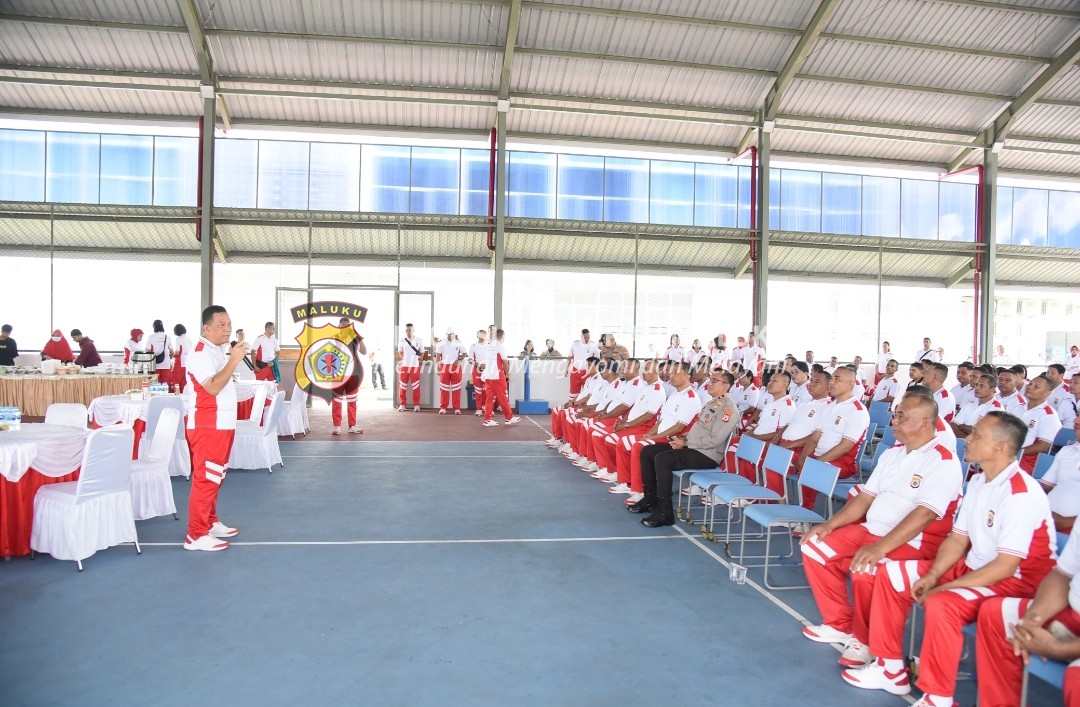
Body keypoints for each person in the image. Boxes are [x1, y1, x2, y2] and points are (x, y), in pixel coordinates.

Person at [842, 412, 1056, 706]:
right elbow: (957, 540)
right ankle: (890, 668)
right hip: (976, 567)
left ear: (1000, 447)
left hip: (1015, 581)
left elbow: (1006, 566)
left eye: (977, 435)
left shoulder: (1021, 493)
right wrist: (933, 575)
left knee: (942, 603)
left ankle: (938, 695)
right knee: (890, 574)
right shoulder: (980, 481)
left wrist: (942, 588)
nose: (967, 438)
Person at [801, 394, 963, 669]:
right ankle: (840, 624)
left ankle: (864, 642)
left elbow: (924, 515)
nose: (894, 420)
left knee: (866, 567)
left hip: (915, 540)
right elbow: (865, 498)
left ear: (925, 423)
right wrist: (830, 525)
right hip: (872, 530)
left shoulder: (943, 461)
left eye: (902, 416)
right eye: (896, 414)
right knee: (814, 545)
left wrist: (881, 548)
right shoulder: (893, 452)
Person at [974, 519, 1080, 706]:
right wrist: (1031, 621)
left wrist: (1060, 649)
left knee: (1077, 680)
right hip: (1073, 614)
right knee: (997, 615)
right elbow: (1063, 574)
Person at [633, 369, 739, 527]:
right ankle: (650, 499)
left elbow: (716, 440)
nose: (709, 383)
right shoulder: (713, 403)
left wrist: (686, 443)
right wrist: (682, 439)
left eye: (714, 381)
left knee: (663, 459)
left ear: (726, 386)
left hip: (707, 455)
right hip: (694, 448)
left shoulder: (727, 408)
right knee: (648, 451)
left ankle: (665, 512)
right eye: (710, 380)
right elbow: (697, 430)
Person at [184, 305, 247, 552]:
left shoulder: (217, 351)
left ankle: (208, 522)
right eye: (221, 325)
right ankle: (195, 534)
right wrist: (233, 360)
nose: (227, 328)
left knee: (215, 476)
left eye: (229, 324)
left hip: (222, 423)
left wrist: (231, 357)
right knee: (206, 478)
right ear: (206, 328)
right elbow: (211, 387)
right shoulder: (200, 353)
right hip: (207, 424)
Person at [610, 361, 700, 504]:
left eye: (676, 372)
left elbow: (678, 427)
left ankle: (639, 490)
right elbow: (660, 421)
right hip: (660, 435)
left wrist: (654, 436)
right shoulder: (674, 396)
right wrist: (650, 434)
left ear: (687, 376)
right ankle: (627, 481)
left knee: (638, 447)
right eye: (671, 371)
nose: (672, 375)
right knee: (625, 443)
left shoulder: (690, 398)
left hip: (672, 439)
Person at [795, 367, 870, 511]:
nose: (832, 382)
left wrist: (816, 461)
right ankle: (790, 504)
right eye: (832, 378)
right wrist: (803, 457)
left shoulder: (857, 411)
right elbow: (815, 438)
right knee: (793, 460)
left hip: (843, 462)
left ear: (850, 384)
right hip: (819, 457)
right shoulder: (829, 406)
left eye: (837, 379)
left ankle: (804, 514)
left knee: (811, 469)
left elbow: (845, 447)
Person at [1039, 414, 1080, 534]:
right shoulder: (1067, 451)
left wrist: (1068, 522)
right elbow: (1045, 486)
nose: (1076, 420)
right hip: (1045, 519)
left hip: (1073, 530)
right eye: (1077, 415)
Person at [1017, 374, 1062, 473]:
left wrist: (1014, 453)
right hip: (1007, 454)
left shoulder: (1048, 415)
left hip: (1026, 460)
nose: (1029, 387)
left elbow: (1042, 446)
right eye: (1030, 384)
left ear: (1047, 393)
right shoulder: (1017, 407)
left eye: (1036, 386)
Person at [333, 317, 366, 434]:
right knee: (337, 400)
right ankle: (336, 426)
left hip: (353, 373)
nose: (346, 327)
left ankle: (352, 425)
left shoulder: (355, 337)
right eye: (344, 325)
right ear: (340, 326)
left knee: (352, 400)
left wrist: (359, 338)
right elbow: (337, 349)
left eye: (348, 325)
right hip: (338, 373)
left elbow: (364, 351)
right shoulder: (335, 336)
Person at [481, 327, 519, 427]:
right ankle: (508, 418)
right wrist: (508, 373)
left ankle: (487, 420)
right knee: (503, 397)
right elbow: (505, 362)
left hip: (488, 376)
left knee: (489, 399)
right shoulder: (499, 346)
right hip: (497, 375)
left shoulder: (488, 345)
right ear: (502, 336)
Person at [951, 373, 1004, 439]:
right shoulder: (969, 405)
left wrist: (964, 427)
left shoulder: (996, 409)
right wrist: (969, 437)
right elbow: (953, 425)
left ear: (992, 389)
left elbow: (985, 433)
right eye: (976, 384)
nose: (977, 388)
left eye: (982, 386)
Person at [437, 328, 468, 414]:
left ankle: (457, 408)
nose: (450, 335)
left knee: (456, 388)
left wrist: (459, 360)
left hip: (456, 367)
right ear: (446, 334)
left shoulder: (459, 343)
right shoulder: (441, 342)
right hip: (444, 366)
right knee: (444, 388)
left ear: (454, 334)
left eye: (452, 334)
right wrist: (438, 367)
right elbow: (438, 355)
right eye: (449, 334)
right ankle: (443, 407)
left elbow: (464, 353)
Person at [565, 329, 600, 403]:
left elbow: (597, 361)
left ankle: (584, 410)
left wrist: (597, 373)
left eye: (588, 337)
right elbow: (569, 357)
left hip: (587, 373)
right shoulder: (575, 344)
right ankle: (571, 408)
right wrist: (565, 369)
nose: (587, 339)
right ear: (581, 336)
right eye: (585, 337)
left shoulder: (593, 346)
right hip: (575, 372)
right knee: (573, 392)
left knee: (587, 392)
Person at [397, 323, 424, 412]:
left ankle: (416, 405)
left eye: (410, 330)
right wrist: (405, 360)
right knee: (402, 386)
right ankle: (402, 404)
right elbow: (400, 352)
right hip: (404, 366)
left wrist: (419, 362)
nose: (408, 332)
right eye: (407, 330)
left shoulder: (419, 340)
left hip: (415, 367)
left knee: (416, 387)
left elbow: (422, 352)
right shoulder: (402, 340)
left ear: (413, 330)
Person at [469, 329, 488, 417]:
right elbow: (470, 360)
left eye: (484, 335)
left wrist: (487, 366)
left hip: (488, 370)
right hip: (477, 370)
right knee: (478, 390)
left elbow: (494, 358)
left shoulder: (490, 345)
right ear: (477, 336)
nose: (482, 336)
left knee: (488, 390)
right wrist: (478, 365)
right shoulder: (473, 346)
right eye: (480, 335)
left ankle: (487, 408)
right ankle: (479, 409)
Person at [171, 323, 193, 391]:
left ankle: (175, 395)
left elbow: (177, 352)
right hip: (188, 362)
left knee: (176, 380)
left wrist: (171, 355)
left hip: (180, 362)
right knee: (184, 380)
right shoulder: (189, 339)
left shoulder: (179, 339)